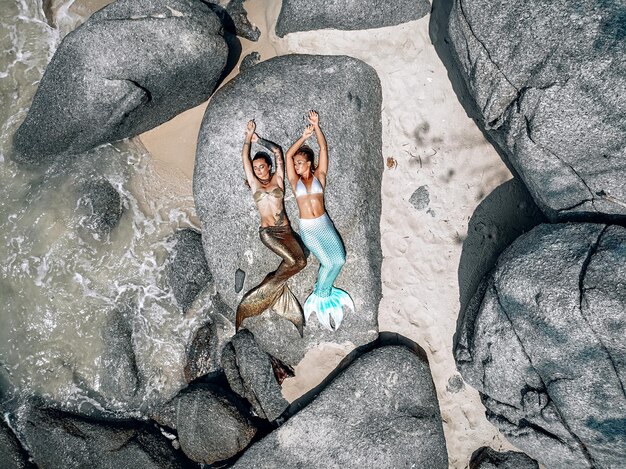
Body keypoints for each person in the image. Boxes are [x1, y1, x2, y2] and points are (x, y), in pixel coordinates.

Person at [236, 120, 307, 336]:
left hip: (286, 231)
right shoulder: (255, 185)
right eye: (255, 168)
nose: (257, 170)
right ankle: (262, 297)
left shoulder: (278, 180)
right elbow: (244, 158)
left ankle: (272, 284)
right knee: (294, 262)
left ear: (268, 167)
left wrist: (259, 140)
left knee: (301, 262)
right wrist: (247, 138)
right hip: (268, 233)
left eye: (261, 166)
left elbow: (277, 151)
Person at [285, 111, 354, 331]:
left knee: (340, 260)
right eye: (295, 164)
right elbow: (287, 156)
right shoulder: (294, 181)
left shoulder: (320, 177)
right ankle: (320, 294)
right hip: (309, 229)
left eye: (300, 163)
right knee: (327, 262)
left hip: (325, 224)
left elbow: (324, 149)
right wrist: (304, 137)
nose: (296, 166)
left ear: (309, 163)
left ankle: (324, 290)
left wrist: (317, 127)